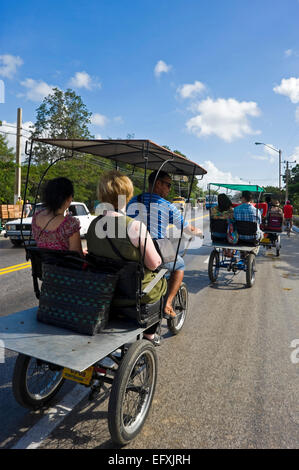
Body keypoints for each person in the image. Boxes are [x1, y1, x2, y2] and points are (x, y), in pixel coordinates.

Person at [86, 171, 167, 344]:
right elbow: (154, 264)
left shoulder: (93, 225)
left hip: (102, 291)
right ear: (127, 195)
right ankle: (150, 335)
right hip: (131, 295)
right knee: (162, 281)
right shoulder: (135, 226)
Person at [127, 170, 202, 319]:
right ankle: (168, 303)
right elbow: (187, 229)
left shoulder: (133, 201)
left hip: (131, 251)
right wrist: (197, 232)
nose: (169, 188)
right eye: (167, 184)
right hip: (154, 251)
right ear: (158, 184)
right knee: (179, 266)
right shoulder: (167, 206)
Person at [32, 177, 83, 255]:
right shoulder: (70, 224)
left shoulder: (36, 217)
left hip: (41, 266)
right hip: (62, 267)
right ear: (69, 198)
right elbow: (77, 257)